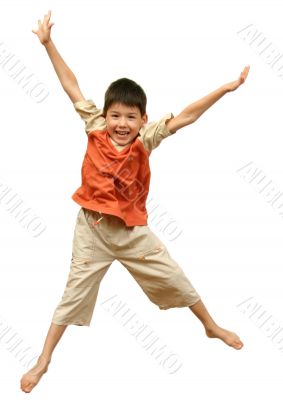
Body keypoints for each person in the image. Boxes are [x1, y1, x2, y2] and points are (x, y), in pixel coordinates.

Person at [20, 10, 250, 393]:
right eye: (115, 116)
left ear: (143, 119)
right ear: (105, 116)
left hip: (130, 232)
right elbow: (71, 86)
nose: (122, 124)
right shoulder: (94, 128)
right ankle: (43, 361)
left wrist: (223, 90)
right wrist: (48, 44)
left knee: (174, 276)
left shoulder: (146, 140)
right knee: (71, 294)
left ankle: (210, 326)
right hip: (91, 231)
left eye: (130, 116)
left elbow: (187, 116)